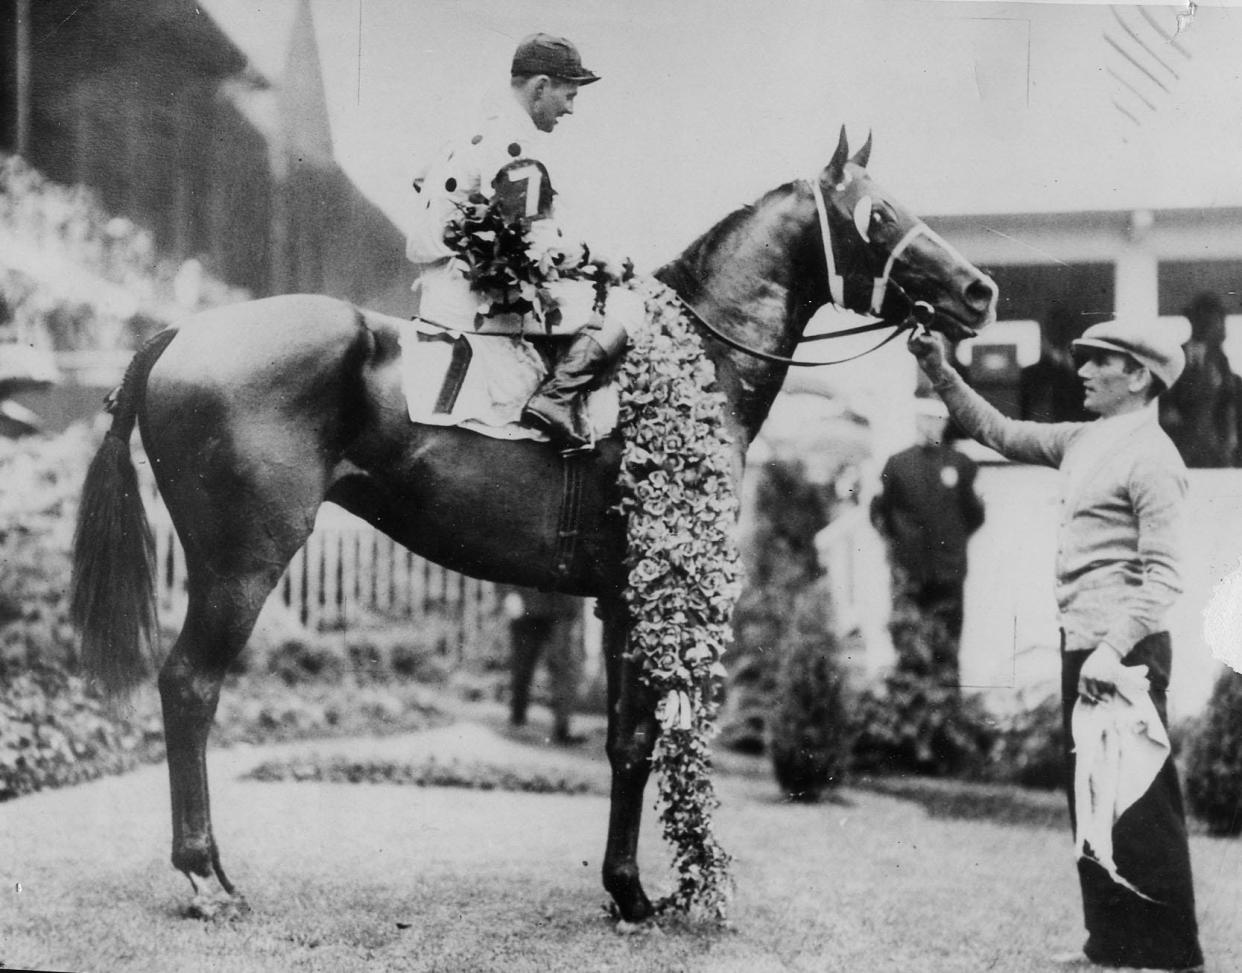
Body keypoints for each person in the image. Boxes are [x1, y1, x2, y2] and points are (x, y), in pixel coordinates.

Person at [909, 319, 1203, 972]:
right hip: (1086, 648)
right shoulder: (1081, 441)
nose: (1083, 371)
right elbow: (997, 430)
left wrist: (1111, 649)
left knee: (1141, 805)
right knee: (1092, 802)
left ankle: (1171, 955)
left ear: (1139, 376)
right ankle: (1111, 945)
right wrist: (940, 367)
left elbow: (1165, 579)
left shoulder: (1154, 458)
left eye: (1100, 361)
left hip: (1124, 654)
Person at [405, 33, 644, 450]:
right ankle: (555, 401)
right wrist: (595, 258)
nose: (570, 108)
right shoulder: (515, 145)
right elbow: (535, 249)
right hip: (471, 302)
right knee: (628, 307)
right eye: (568, 95)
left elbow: (424, 183)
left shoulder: (473, 131)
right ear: (539, 88)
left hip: (438, 286)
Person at [870, 396, 985, 686]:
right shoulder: (897, 464)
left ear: (946, 423)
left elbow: (974, 514)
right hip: (910, 572)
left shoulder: (962, 465)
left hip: (948, 571)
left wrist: (953, 542)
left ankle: (947, 708)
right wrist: (900, 548)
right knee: (910, 640)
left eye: (937, 419)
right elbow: (880, 512)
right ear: (915, 421)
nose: (930, 426)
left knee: (947, 643)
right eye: (924, 418)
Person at [1160, 291, 1242, 467]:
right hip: (1180, 446)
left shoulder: (1220, 360)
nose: (1213, 324)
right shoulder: (1176, 355)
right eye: (1205, 317)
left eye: (1216, 318)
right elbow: (1166, 403)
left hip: (1214, 449)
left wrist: (1228, 441)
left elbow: (1228, 404)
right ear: (1193, 320)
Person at [502, 586, 584, 744]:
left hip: (561, 602)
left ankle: (562, 727)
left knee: (561, 664)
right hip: (527, 600)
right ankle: (517, 721)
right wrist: (509, 592)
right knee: (522, 664)